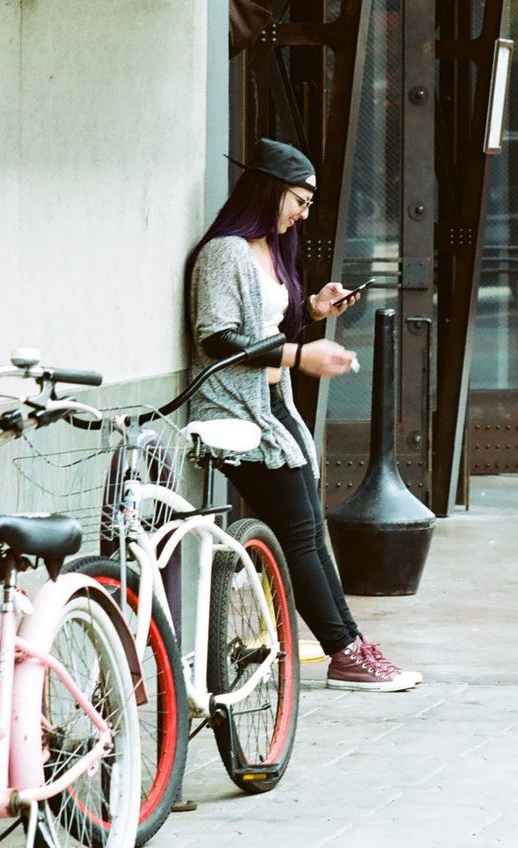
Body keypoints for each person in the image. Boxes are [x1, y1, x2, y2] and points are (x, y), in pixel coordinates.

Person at [185, 137, 421, 690]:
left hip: (273, 407)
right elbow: (218, 337)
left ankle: (350, 643)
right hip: (236, 415)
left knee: (310, 533)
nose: (303, 213)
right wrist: (301, 354)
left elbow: (265, 330)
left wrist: (311, 312)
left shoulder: (269, 248)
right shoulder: (226, 251)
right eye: (301, 199)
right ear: (270, 189)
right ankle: (345, 651)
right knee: (300, 536)